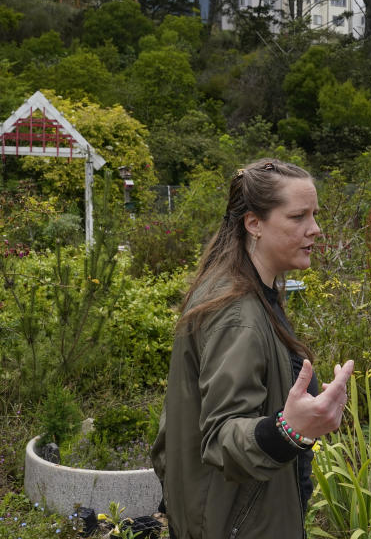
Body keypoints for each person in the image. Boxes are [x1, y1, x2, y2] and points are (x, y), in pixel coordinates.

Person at [151, 159, 355, 539]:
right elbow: (220, 436)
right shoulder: (237, 314)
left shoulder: (249, 289)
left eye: (314, 214)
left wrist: (306, 412)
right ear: (254, 224)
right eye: (298, 217)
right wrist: (290, 430)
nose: (315, 229)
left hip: (231, 517)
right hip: (235, 524)